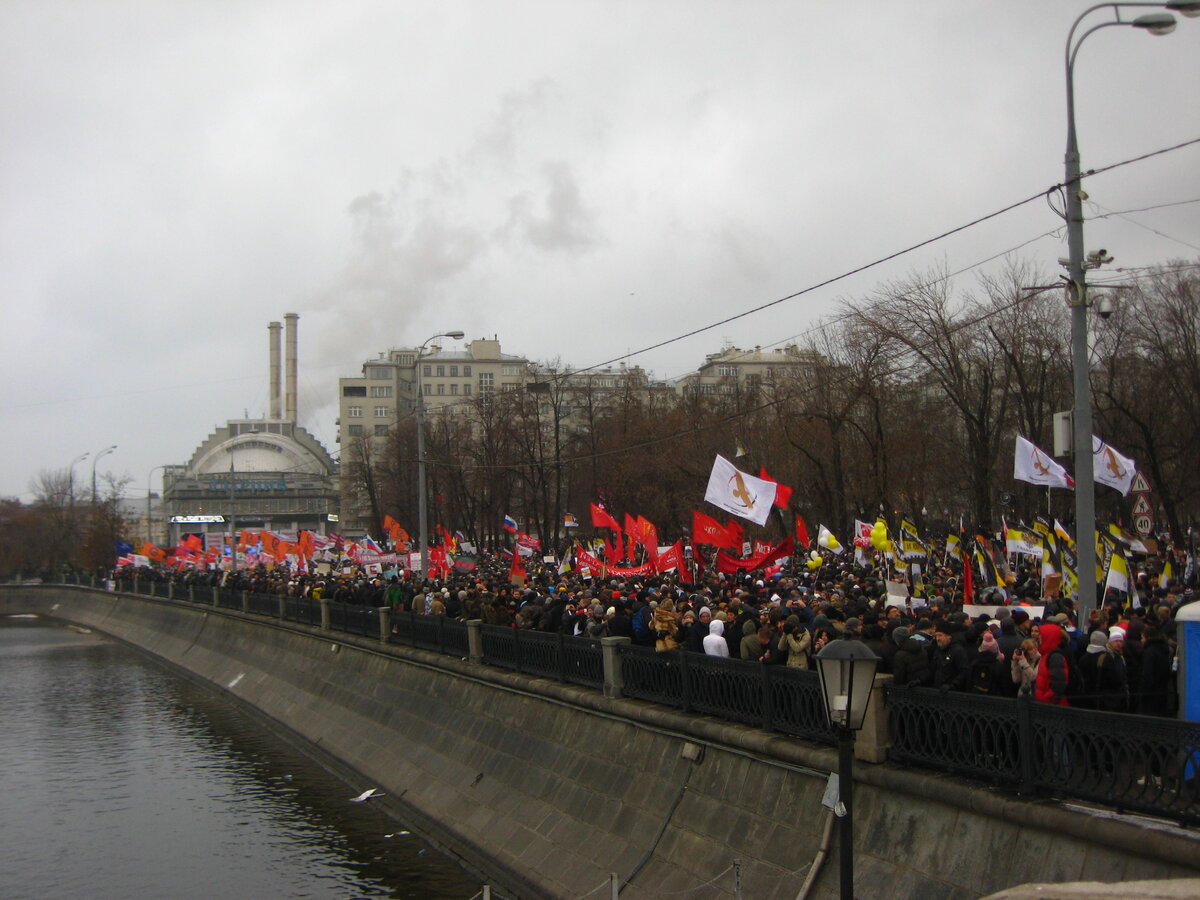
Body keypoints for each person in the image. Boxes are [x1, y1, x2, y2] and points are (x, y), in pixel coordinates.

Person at [1034, 622, 1072, 706]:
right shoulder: (1046, 654)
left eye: (1041, 634)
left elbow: (1059, 684)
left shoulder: (1055, 657)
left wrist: (1046, 699)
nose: (1038, 637)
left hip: (1050, 706)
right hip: (1045, 704)